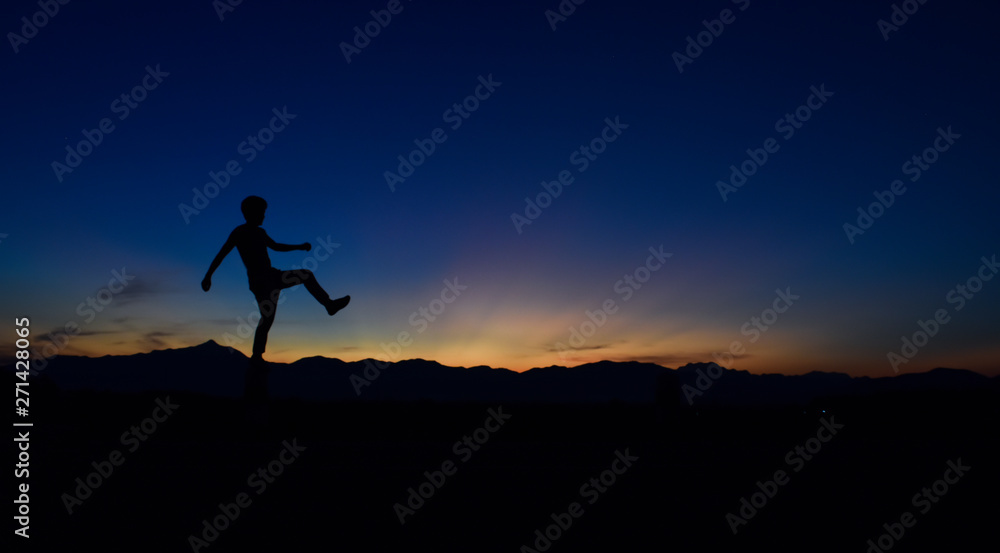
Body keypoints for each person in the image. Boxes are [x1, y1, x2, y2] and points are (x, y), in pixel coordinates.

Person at [201, 195, 350, 361]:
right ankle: (257, 356)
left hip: (273, 276)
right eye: (262, 212)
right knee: (267, 319)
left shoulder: (260, 232)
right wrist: (208, 276)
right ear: (251, 213)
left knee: (304, 277)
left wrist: (299, 247)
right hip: (260, 281)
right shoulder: (239, 232)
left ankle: (329, 305)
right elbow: (221, 254)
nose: (264, 216)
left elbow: (276, 247)